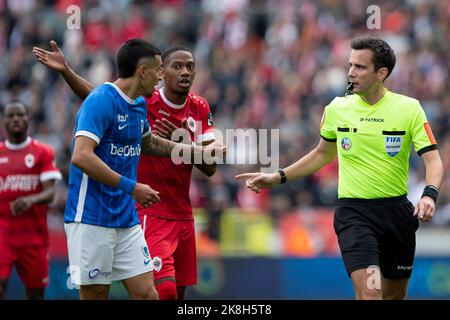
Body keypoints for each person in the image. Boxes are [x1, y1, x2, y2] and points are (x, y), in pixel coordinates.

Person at [236, 37, 444, 300]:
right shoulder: (337, 108)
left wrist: (429, 194)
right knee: (370, 292)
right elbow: (322, 154)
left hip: (397, 215)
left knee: (393, 296)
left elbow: (433, 159)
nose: (350, 72)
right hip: (355, 214)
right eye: (350, 65)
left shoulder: (408, 108)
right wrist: (279, 177)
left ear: (381, 73)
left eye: (360, 67)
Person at [33, 42, 217, 300]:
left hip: (126, 219)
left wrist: (196, 152)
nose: (161, 76)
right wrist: (132, 187)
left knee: (149, 295)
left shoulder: (137, 104)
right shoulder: (101, 101)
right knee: (97, 295)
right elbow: (81, 156)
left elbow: (149, 143)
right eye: (158, 70)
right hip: (91, 217)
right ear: (143, 71)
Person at [0, 100, 62, 299]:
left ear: (29, 119)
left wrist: (29, 200)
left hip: (34, 238)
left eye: (20, 114)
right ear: (4, 121)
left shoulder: (42, 152)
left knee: (35, 294)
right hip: (3, 234)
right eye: (11, 115)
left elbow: (50, 193)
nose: (16, 119)